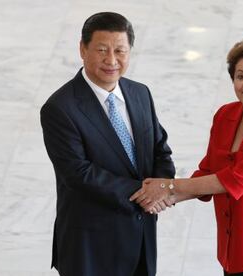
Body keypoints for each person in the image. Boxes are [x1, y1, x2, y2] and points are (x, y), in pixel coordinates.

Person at [130, 34, 243, 276]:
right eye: (240, 76)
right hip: (239, 242)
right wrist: (162, 198)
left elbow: (235, 179)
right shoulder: (225, 115)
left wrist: (167, 187)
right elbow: (209, 171)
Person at [40, 12, 175, 276]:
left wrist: (162, 186)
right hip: (91, 247)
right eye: (101, 50)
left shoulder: (140, 93)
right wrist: (145, 194)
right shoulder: (60, 108)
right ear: (82, 48)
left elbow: (160, 148)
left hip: (141, 238)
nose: (111, 60)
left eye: (120, 51)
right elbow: (79, 174)